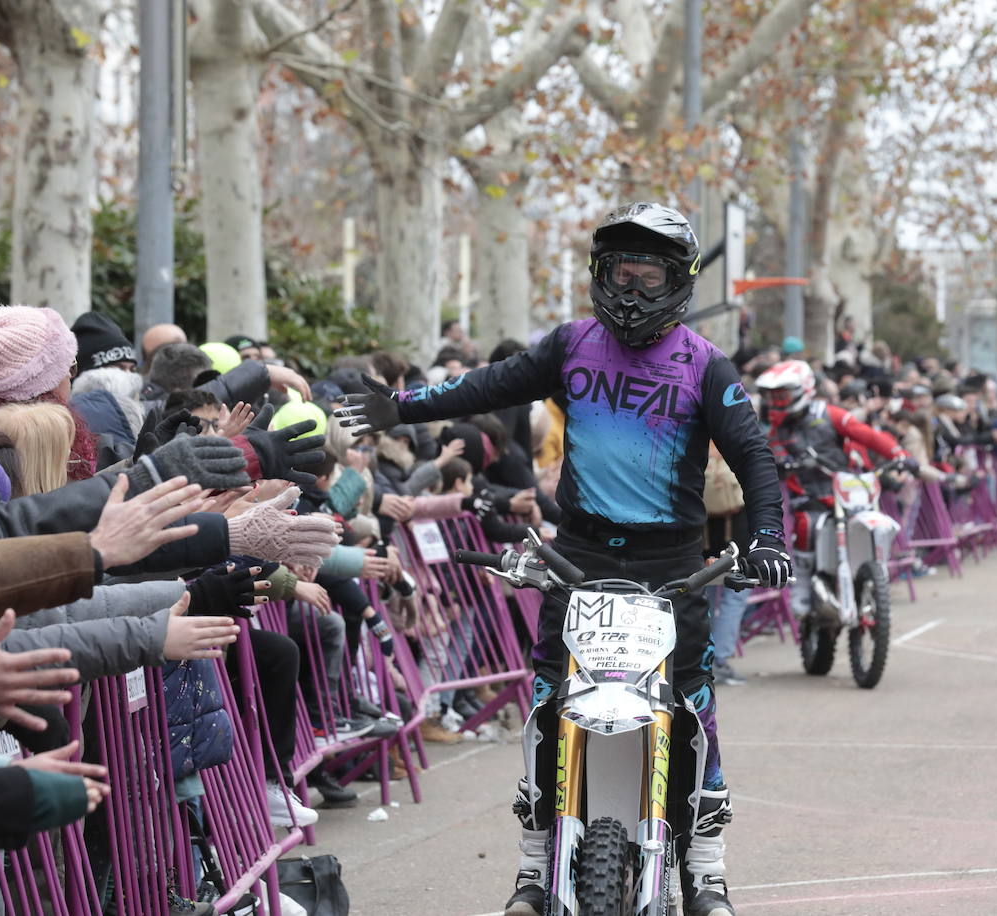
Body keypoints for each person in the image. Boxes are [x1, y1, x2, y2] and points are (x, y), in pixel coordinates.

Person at [337, 202, 789, 916]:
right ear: (599, 275)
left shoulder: (707, 366)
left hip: (672, 566)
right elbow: (486, 386)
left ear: (679, 282)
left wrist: (767, 539)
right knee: (549, 704)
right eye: (620, 273)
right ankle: (531, 866)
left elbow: (756, 462)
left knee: (693, 708)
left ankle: (706, 869)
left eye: (649, 276)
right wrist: (402, 406)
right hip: (576, 557)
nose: (631, 291)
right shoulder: (571, 343)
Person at [754, 358, 910, 619]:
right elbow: (765, 454)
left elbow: (867, 434)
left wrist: (901, 455)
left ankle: (875, 577)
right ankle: (801, 583)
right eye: (772, 395)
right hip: (807, 496)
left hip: (845, 490)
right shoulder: (774, 425)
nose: (777, 401)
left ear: (802, 389)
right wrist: (780, 463)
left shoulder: (829, 413)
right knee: (804, 525)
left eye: (782, 394)